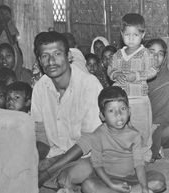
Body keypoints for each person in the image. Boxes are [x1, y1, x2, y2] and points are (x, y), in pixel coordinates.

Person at [31, 31, 102, 191]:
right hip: (57, 155)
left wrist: (48, 171)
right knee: (19, 169)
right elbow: (41, 136)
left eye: (57, 54)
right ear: (39, 60)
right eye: (44, 56)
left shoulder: (88, 84)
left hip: (88, 155)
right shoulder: (40, 88)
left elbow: (88, 141)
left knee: (65, 179)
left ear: (69, 56)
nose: (51, 61)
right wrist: (33, 160)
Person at [81, 86, 166, 193]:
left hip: (131, 179)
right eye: (111, 111)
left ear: (129, 111)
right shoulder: (98, 135)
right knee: (88, 185)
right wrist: (112, 184)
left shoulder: (134, 135)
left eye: (122, 109)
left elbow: (139, 164)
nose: (119, 115)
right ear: (102, 116)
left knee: (159, 181)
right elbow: (97, 164)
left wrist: (144, 187)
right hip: (107, 179)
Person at [107, 13, 158, 161]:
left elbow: (153, 71)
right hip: (121, 100)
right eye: (127, 34)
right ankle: (124, 155)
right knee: (121, 127)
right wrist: (115, 74)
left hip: (139, 100)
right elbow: (110, 69)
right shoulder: (117, 55)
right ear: (122, 34)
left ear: (143, 34)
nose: (130, 38)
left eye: (135, 34)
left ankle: (143, 155)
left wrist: (136, 76)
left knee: (141, 129)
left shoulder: (145, 54)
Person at [145, 38, 169, 162]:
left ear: (164, 58)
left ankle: (154, 142)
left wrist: (154, 126)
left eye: (160, 53)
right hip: (139, 124)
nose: (155, 56)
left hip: (159, 127)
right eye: (151, 52)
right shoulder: (135, 75)